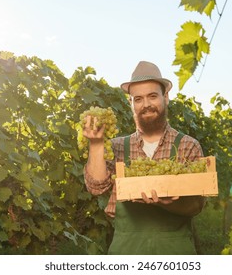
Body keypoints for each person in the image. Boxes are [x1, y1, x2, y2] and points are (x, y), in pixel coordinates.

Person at [83, 61, 205, 255]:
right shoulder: (117, 147)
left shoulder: (187, 145)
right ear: (131, 104)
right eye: (138, 99)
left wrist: (170, 202)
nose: (146, 104)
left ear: (166, 97)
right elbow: (96, 187)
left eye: (152, 96)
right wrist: (96, 145)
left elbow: (197, 205)